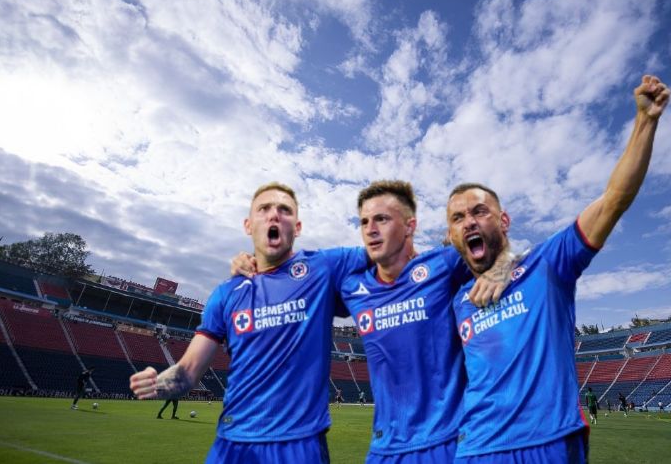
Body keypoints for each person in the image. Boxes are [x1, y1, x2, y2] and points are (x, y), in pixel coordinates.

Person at [446, 75, 670, 462]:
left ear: (504, 221)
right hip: (474, 451)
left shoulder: (548, 264)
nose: (468, 221)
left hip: (546, 445)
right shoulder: (456, 302)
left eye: (479, 211)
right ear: (450, 235)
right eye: (457, 217)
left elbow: (614, 200)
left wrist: (645, 122)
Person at [232, 180, 512, 464]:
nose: (370, 228)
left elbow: (493, 244)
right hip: (385, 450)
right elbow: (294, 288)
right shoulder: (353, 287)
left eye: (382, 219)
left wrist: (500, 267)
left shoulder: (442, 265)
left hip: (450, 440)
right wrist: (255, 263)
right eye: (364, 221)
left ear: (410, 227)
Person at [130, 183, 368, 463]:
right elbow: (188, 372)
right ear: (248, 225)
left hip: (298, 447)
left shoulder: (323, 268)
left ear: (298, 226)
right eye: (264, 209)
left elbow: (390, 251)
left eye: (285, 210)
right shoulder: (226, 294)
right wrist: (157, 385)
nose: (274, 215)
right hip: (232, 445)